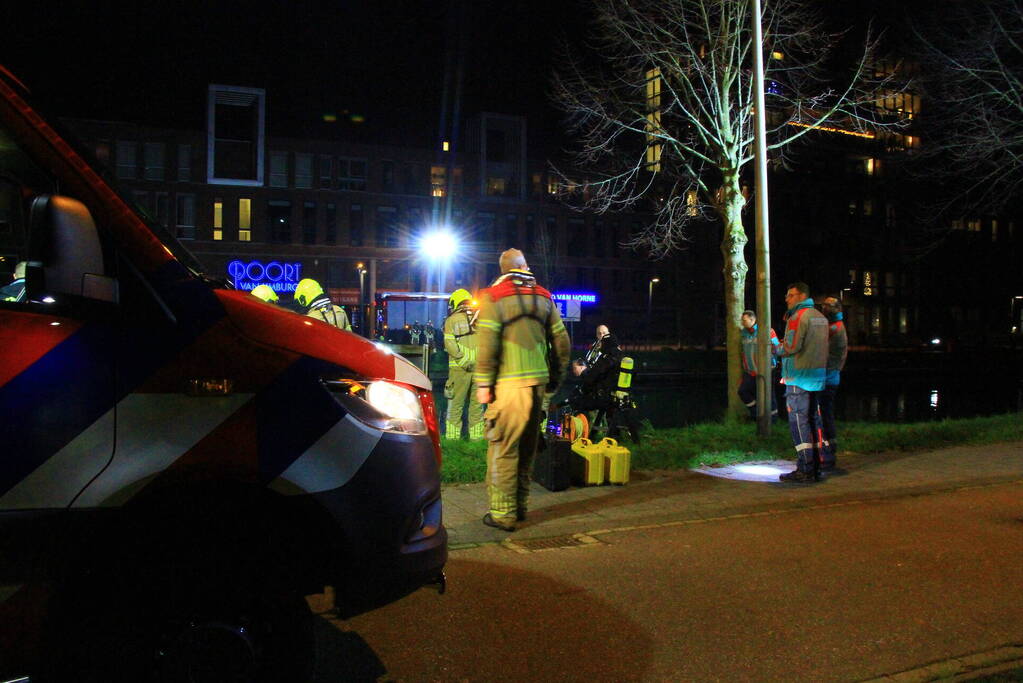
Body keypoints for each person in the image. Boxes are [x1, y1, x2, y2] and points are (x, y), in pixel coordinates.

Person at [475, 248, 571, 531]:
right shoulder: (543, 296)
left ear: (503, 270)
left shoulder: (494, 298)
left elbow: (487, 346)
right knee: (527, 449)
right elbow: (562, 343)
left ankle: (503, 515)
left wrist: (483, 384)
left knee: (504, 448)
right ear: (525, 267)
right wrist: (554, 378)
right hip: (537, 384)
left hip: (508, 386)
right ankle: (520, 507)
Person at [774, 282, 829, 483]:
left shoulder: (798, 317)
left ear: (801, 295)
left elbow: (791, 346)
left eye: (790, 295)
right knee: (814, 420)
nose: (786, 299)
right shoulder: (821, 317)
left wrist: (775, 349)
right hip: (817, 376)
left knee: (798, 421)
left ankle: (804, 468)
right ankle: (816, 466)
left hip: (798, 377)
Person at [443, 289, 483, 440]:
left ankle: (453, 440)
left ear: (455, 302)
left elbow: (449, 344)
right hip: (480, 370)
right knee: (477, 407)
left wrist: (463, 360)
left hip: (459, 370)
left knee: (455, 405)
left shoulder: (451, 320)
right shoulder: (481, 318)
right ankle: (477, 439)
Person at [818, 295, 848, 471]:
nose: (824, 308)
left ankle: (828, 454)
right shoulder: (835, 326)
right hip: (830, 377)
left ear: (837, 308)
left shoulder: (833, 328)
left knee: (824, 415)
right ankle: (828, 451)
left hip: (827, 378)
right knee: (826, 414)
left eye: (828, 305)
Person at [737, 310, 779, 420]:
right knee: (743, 391)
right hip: (750, 371)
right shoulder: (743, 333)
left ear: (753, 319)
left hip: (766, 370)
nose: (742, 322)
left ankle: (773, 420)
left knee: (769, 394)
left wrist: (772, 364)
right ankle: (756, 414)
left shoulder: (767, 331)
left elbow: (777, 348)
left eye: (744, 320)